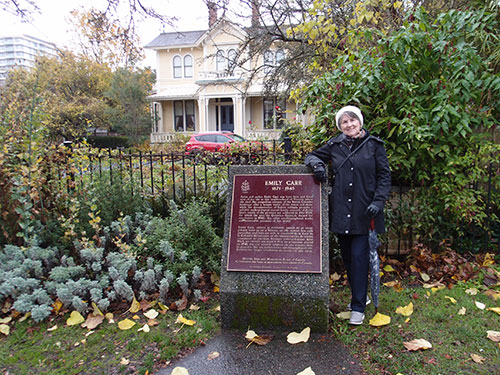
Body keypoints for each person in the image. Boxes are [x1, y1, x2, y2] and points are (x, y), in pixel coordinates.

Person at [305, 105, 391, 325]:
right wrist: (317, 166)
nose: (349, 125)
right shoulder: (335, 145)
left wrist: (378, 202)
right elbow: (312, 155)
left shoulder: (374, 146)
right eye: (344, 122)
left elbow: (384, 176)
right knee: (348, 259)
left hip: (365, 211)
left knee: (359, 257)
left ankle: (358, 308)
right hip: (342, 212)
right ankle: (360, 295)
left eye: (352, 120)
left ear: (360, 121)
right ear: (340, 126)